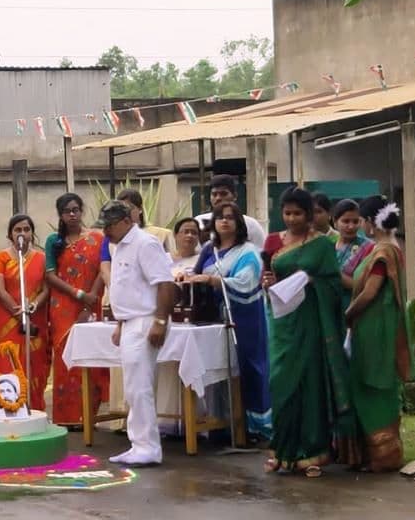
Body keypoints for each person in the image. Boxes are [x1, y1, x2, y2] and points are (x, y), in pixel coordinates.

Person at [261, 186, 354, 478]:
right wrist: (268, 284)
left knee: (310, 384)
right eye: (287, 213)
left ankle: (312, 452)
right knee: (281, 384)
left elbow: (334, 286)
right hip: (282, 323)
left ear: (309, 215)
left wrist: (311, 281)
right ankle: (282, 450)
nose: (291, 219)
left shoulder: (321, 246)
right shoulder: (276, 241)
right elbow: (273, 280)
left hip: (313, 322)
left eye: (297, 213)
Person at [102, 200, 176, 467]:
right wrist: (120, 324)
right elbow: (127, 288)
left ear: (126, 221)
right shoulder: (117, 245)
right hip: (129, 321)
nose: (105, 231)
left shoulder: (145, 244)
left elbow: (165, 284)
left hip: (146, 320)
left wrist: (160, 321)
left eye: (110, 225)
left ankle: (148, 447)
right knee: (133, 387)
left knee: (140, 386)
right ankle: (139, 444)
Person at [188, 202, 270, 439]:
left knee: (248, 368)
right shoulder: (207, 250)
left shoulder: (248, 251)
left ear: (239, 223)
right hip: (212, 319)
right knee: (215, 369)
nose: (224, 221)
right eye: (220, 218)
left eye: (230, 218)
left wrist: (214, 281)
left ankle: (253, 427)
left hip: (244, 319)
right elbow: (196, 274)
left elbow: (247, 281)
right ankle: (220, 425)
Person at [346, 196, 413, 472]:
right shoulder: (390, 248)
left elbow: (370, 291)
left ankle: (383, 457)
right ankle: (383, 455)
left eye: (361, 219)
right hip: (379, 327)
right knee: (380, 386)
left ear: (371, 222)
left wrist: (348, 313)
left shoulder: (382, 253)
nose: (360, 225)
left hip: (374, 329)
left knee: (371, 384)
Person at [44, 193, 108, 428]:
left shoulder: (97, 238)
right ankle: (66, 417)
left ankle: (88, 416)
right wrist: (79, 294)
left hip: (93, 302)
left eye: (75, 210)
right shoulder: (54, 241)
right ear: (60, 215)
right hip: (63, 306)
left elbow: (104, 269)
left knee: (91, 358)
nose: (72, 214)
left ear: (82, 211)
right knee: (66, 359)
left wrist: (90, 297)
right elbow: (49, 275)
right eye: (67, 211)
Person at [0, 214, 50, 410]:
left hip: (35, 316)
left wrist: (33, 306)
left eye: (26, 229)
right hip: (8, 317)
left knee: (36, 364)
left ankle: (35, 408)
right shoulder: (1, 257)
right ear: (10, 234)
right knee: (8, 359)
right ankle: (8, 407)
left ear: (32, 233)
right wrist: (19, 313)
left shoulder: (42, 258)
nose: (22, 233)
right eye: (18, 230)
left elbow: (46, 289)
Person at [195, 175, 266, 248]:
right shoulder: (199, 221)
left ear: (234, 196)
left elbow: (261, 252)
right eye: (214, 194)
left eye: (223, 194)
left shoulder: (250, 224)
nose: (218, 198)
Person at [333, 199, 373, 312]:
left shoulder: (368, 247)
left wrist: (335, 274)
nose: (351, 226)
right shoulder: (327, 246)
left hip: (354, 307)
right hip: (330, 306)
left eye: (355, 222)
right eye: (346, 221)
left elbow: (367, 285)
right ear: (335, 222)